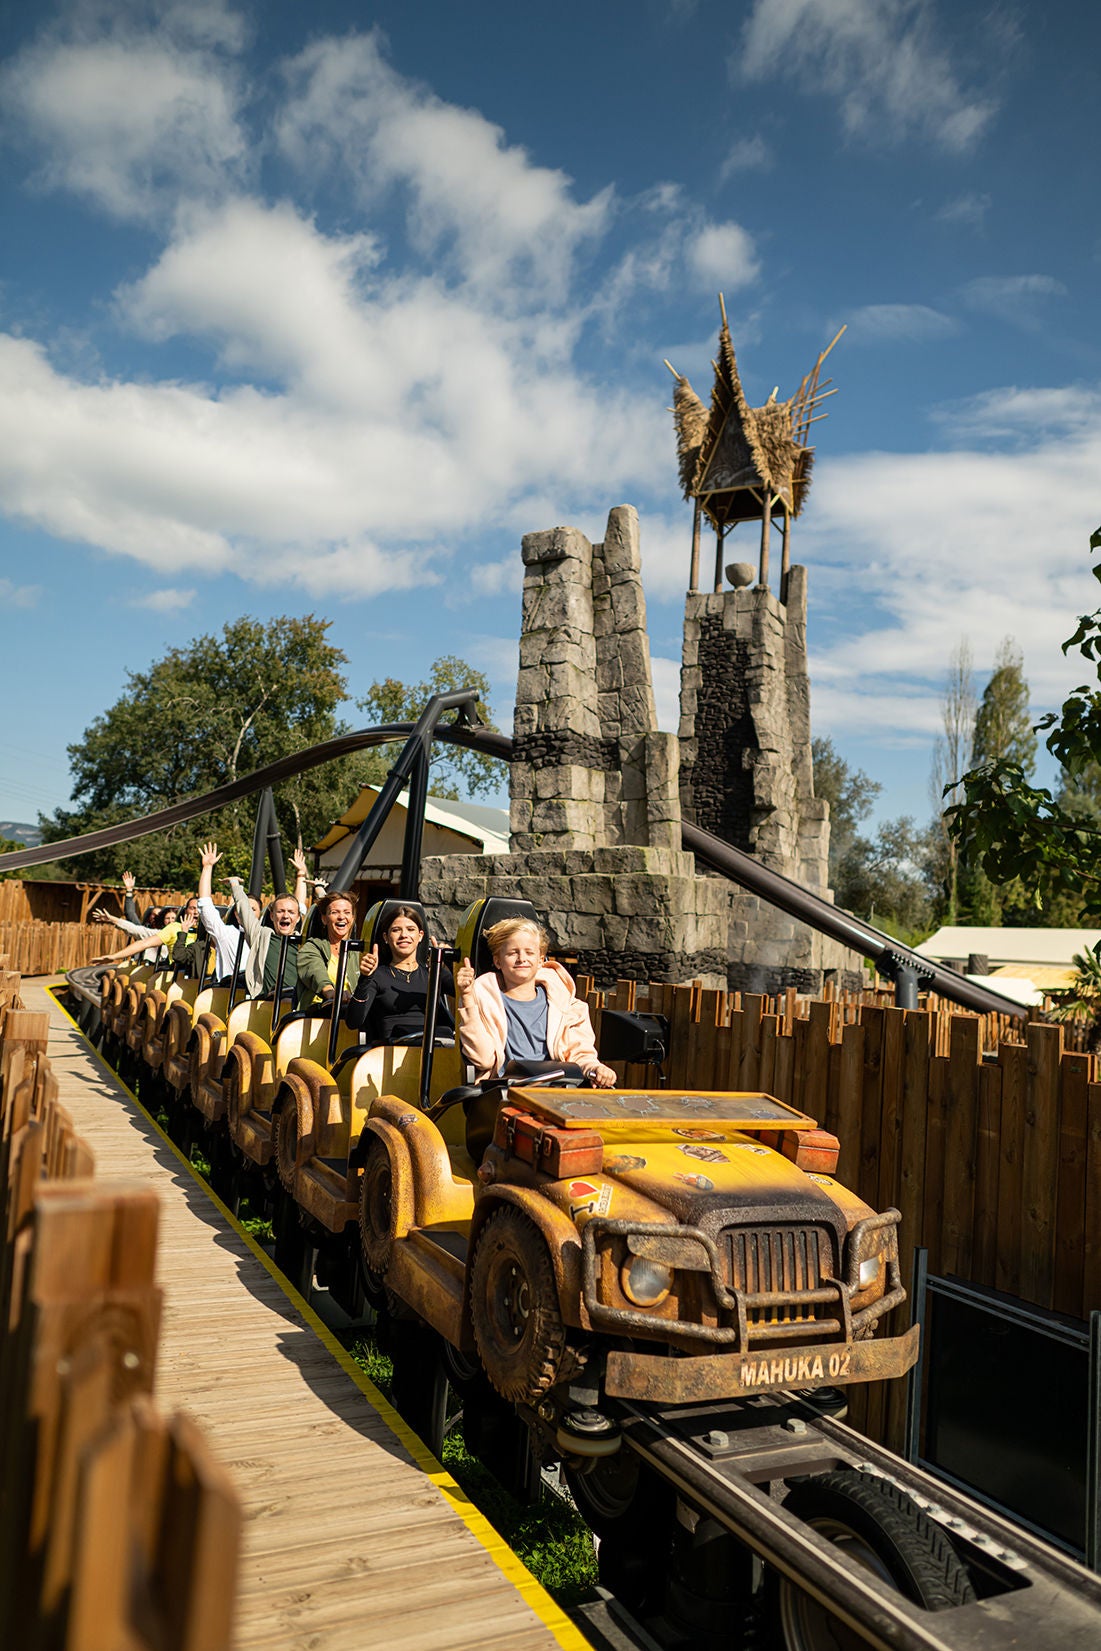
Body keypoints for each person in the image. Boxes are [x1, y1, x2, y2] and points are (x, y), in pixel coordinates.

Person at [456, 917, 616, 1087]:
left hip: (557, 1087)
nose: (521, 958)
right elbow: (483, 1060)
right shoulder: (482, 1000)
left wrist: (596, 1068)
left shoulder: (566, 1005)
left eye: (529, 952)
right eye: (512, 953)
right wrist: (467, 998)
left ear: (540, 960)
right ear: (497, 961)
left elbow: (579, 1054)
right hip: (506, 1089)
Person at [345, 905, 454, 1044]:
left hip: (435, 1050)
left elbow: (469, 995)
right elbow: (353, 1022)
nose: (404, 935)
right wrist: (365, 978)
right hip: (392, 1052)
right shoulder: (377, 975)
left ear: (420, 936)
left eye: (410, 929)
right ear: (386, 937)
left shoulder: (433, 973)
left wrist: (449, 962)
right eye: (396, 930)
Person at [225, 846, 309, 1000]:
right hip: (267, 1002)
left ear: (298, 918)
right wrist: (235, 886)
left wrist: (302, 875)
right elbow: (245, 910)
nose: (285, 916)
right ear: (271, 916)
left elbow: (327, 914)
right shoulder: (261, 935)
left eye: (291, 913)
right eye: (280, 911)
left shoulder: (304, 942)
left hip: (296, 1003)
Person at [296, 891, 361, 1009]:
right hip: (319, 1011)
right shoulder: (311, 948)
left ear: (352, 918)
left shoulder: (360, 952)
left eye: (347, 912)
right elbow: (315, 972)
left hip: (353, 1013)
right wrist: (330, 992)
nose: (342, 917)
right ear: (324, 919)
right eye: (334, 912)